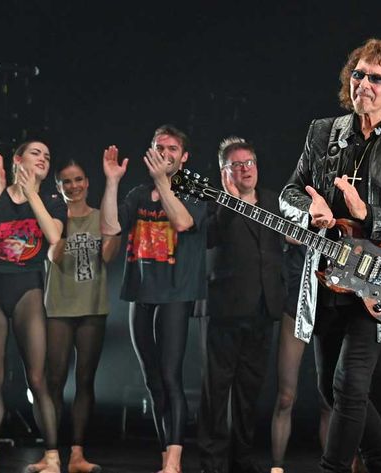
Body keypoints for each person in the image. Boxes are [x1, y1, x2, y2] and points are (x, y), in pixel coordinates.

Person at [279, 38, 381, 473]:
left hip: (378, 280)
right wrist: (308, 210)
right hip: (327, 276)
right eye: (359, 74)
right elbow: (289, 192)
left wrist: (369, 214)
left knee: (350, 387)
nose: (364, 84)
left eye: (376, 78)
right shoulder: (322, 132)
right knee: (330, 390)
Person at [100, 125, 208, 473]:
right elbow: (110, 227)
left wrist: (163, 181)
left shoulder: (194, 191)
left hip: (175, 295)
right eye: (159, 147)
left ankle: (174, 461)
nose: (165, 153)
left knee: (170, 376)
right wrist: (112, 182)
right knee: (152, 380)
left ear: (184, 157)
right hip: (141, 294)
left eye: (172, 148)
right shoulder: (137, 195)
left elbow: (183, 222)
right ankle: (166, 458)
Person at [0, 142, 65, 473]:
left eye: (47, 156)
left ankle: (52, 459)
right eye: (36, 153)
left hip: (27, 288)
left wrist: (32, 193)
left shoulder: (52, 201)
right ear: (17, 160)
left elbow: (53, 236)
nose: (43, 158)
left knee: (37, 377)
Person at [196, 137, 285, 473]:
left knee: (250, 391)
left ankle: (242, 459)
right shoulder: (214, 200)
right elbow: (209, 237)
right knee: (216, 391)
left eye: (250, 162)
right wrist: (230, 202)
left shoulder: (273, 201)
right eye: (237, 165)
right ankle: (212, 462)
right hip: (225, 310)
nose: (246, 169)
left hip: (264, 308)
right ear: (225, 172)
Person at [26, 161, 120, 473]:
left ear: (87, 183)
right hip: (58, 308)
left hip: (92, 307)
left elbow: (108, 255)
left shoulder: (101, 217)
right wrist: (61, 221)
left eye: (78, 179)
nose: (73, 186)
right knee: (53, 381)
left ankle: (77, 455)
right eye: (66, 181)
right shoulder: (52, 219)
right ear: (58, 186)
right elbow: (54, 255)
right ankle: (51, 454)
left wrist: (111, 213)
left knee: (85, 380)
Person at [270, 242, 332, 473]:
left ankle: (332, 466)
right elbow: (285, 234)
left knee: (329, 399)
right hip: (297, 298)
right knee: (286, 397)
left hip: (330, 300)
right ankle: (277, 466)